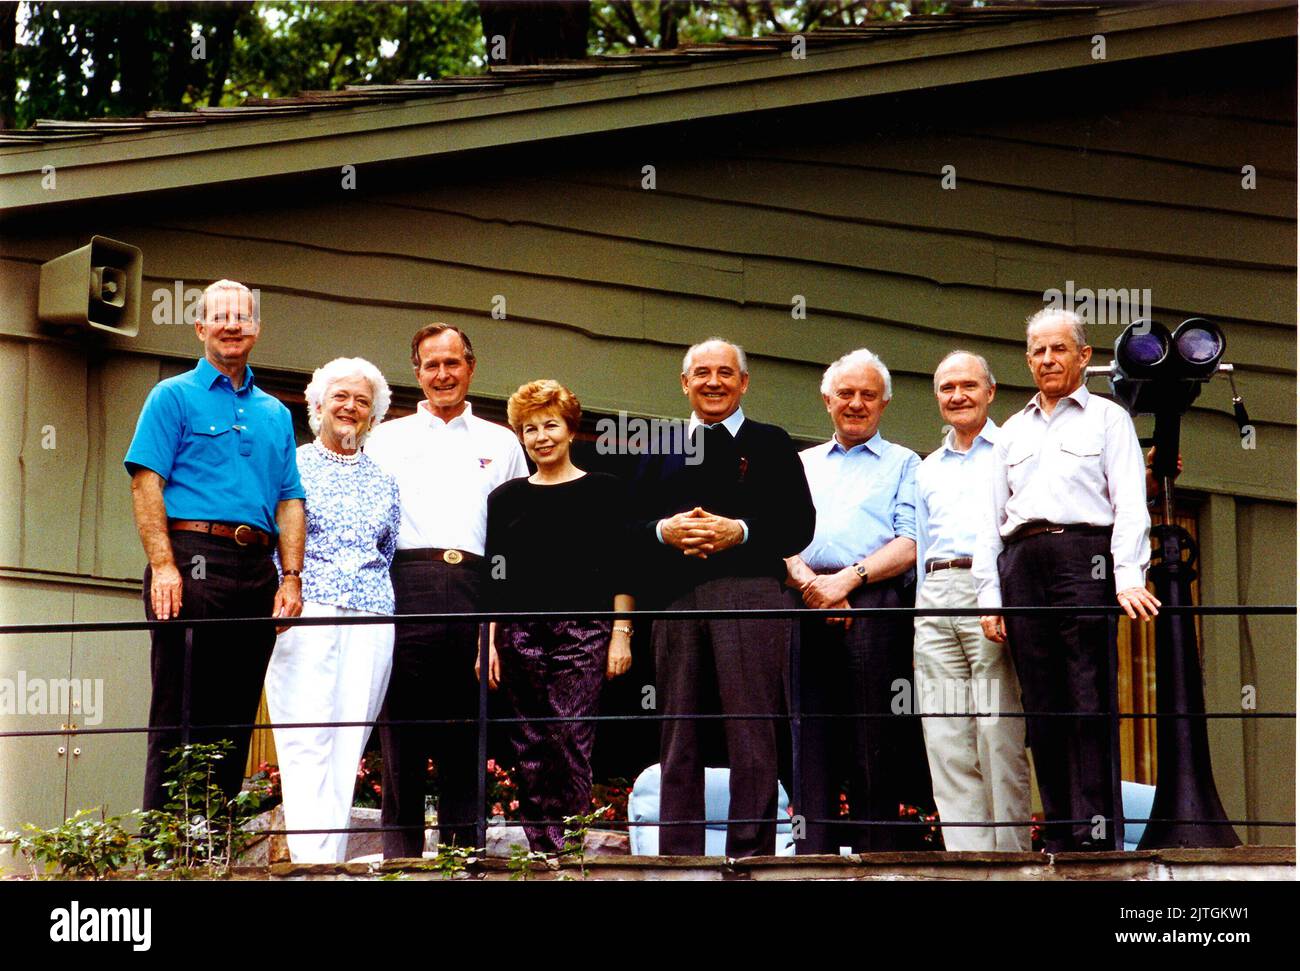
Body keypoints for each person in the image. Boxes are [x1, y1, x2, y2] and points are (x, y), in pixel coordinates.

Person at [974, 308, 1159, 852]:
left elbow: (1130, 503)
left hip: (1086, 559)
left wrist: (1127, 575)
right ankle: (1058, 832)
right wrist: (991, 597)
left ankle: (1096, 836)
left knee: (1088, 697)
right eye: (1038, 351)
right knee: (1043, 704)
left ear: (1083, 357)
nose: (1048, 359)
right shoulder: (1009, 432)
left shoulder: (1108, 418)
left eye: (1060, 350)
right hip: (1022, 564)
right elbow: (989, 522)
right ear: (1028, 360)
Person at [124, 279, 305, 812]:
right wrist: (163, 566)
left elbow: (290, 500)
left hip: (257, 571)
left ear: (256, 329)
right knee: (179, 710)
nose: (232, 325)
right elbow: (145, 482)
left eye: (242, 317)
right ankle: (166, 848)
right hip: (191, 563)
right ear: (200, 327)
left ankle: (212, 847)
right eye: (220, 316)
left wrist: (291, 577)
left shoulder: (275, 413)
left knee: (235, 714)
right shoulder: (172, 395)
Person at [632, 338, 815, 858]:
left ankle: (750, 857)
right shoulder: (657, 447)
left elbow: (799, 524)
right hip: (676, 599)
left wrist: (741, 530)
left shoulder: (772, 443)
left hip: (751, 597)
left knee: (752, 728)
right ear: (685, 383)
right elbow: (626, 530)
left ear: (744, 382)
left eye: (726, 373)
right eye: (702, 373)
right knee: (678, 732)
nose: (714, 382)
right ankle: (677, 858)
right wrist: (664, 531)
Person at [365, 324, 527, 856]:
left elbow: (515, 539)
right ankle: (400, 860)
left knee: (466, 736)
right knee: (402, 737)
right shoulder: (385, 438)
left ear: (470, 368)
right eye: (431, 365)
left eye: (452, 363)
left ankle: (466, 860)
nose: (442, 375)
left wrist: (496, 621)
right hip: (404, 585)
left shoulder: (501, 442)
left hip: (476, 590)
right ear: (416, 372)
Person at [478, 379, 634, 854]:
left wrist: (621, 634)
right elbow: (495, 578)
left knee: (568, 734)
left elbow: (623, 567)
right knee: (527, 741)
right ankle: (541, 850)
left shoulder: (605, 491)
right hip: (519, 632)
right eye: (530, 428)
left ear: (570, 430)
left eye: (550, 424)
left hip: (583, 630)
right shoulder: (504, 499)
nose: (541, 435)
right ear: (520, 437)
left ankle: (568, 845)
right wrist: (488, 641)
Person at [784, 348, 926, 852]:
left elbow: (909, 543)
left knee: (874, 736)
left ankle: (876, 856)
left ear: (884, 403)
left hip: (875, 600)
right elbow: (782, 540)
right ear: (827, 400)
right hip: (805, 600)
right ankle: (812, 858)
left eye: (869, 395)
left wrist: (846, 581)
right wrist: (813, 588)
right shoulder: (798, 464)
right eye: (846, 393)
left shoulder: (906, 463)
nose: (857, 403)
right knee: (809, 735)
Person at [263, 357, 401, 863]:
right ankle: (310, 866)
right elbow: (273, 541)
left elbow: (385, 551)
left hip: (371, 616)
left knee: (349, 742)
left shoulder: (385, 480)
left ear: (373, 416)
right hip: (305, 610)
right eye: (340, 397)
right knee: (305, 738)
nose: (350, 407)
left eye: (362, 401)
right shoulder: (291, 465)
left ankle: (327, 863)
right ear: (317, 404)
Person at [913, 351, 1031, 852]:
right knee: (944, 732)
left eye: (967, 386)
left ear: (990, 391)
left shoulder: (1013, 449)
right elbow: (919, 540)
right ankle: (968, 856)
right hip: (933, 596)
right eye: (946, 388)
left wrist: (999, 598)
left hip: (989, 589)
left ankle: (1010, 855)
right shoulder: (928, 467)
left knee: (996, 726)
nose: (957, 396)